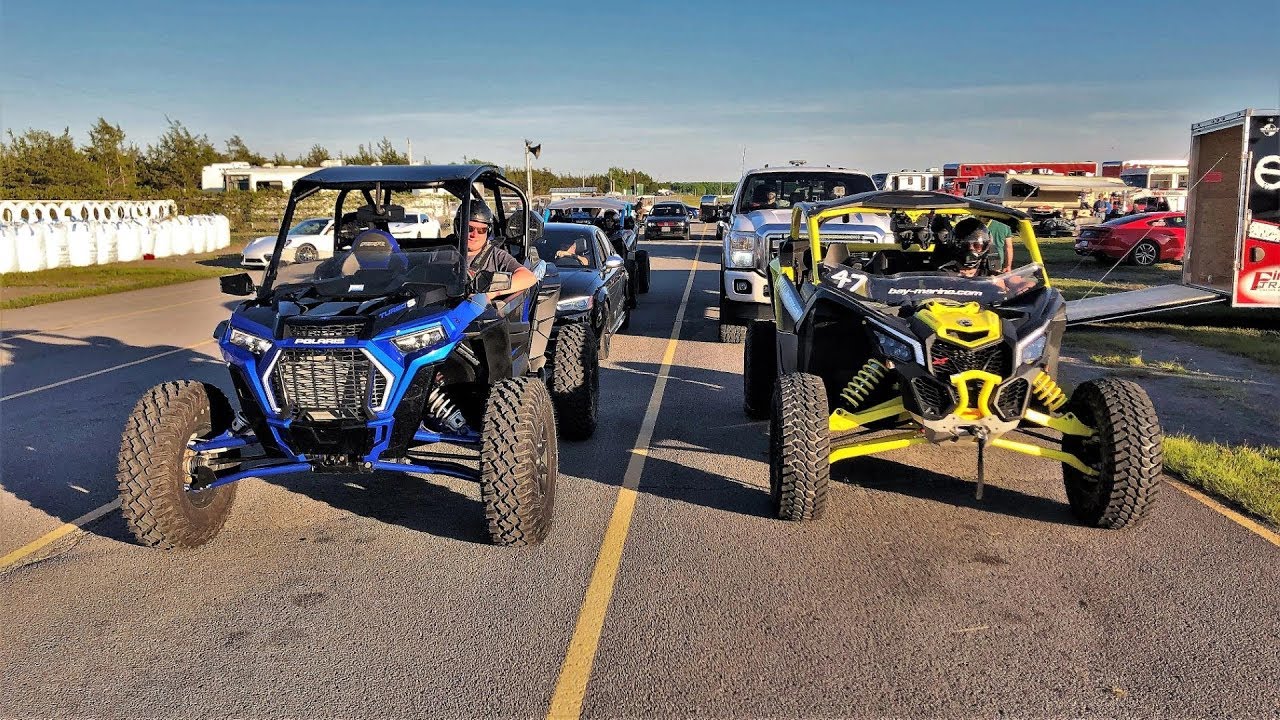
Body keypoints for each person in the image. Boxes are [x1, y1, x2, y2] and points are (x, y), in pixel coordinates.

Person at [454, 202, 537, 299]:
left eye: (482, 230)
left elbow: (528, 277)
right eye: (469, 229)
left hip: (477, 311)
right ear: (458, 228)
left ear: (488, 232)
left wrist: (490, 294)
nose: (474, 234)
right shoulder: (444, 252)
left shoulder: (496, 256)